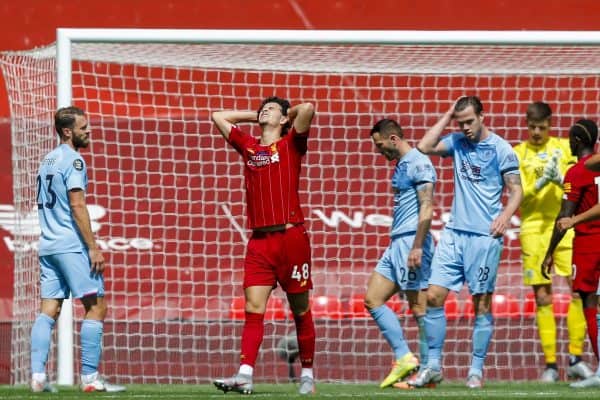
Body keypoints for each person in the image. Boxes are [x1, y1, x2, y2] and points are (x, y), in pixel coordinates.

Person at [409, 96, 523, 389]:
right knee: (433, 296)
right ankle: (433, 366)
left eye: (470, 121)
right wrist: (449, 115)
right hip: (454, 234)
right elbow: (423, 147)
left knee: (481, 304)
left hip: (485, 238)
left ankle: (475, 371)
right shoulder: (457, 142)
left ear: (482, 116)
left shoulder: (501, 149)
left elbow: (516, 190)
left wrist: (506, 215)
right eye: (462, 123)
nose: (466, 128)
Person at [211, 97, 316, 395]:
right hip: (259, 242)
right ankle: (245, 374)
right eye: (263, 108)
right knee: (253, 308)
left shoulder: (292, 144)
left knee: (300, 309)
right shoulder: (249, 147)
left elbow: (307, 108)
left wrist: (286, 116)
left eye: (272, 109)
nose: (265, 111)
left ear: (285, 120)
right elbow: (217, 116)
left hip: (291, 238)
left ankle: (307, 374)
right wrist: (256, 115)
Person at [30, 106, 125, 393]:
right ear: (67, 131)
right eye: (84, 127)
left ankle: (37, 377)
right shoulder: (74, 161)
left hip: (48, 245)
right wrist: (93, 248)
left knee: (49, 310)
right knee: (96, 307)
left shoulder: (47, 160)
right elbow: (77, 205)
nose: (89, 131)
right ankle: (90, 379)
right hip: (71, 246)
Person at [513, 102, 591, 382]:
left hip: (565, 226)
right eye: (532, 127)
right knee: (542, 296)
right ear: (526, 124)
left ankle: (576, 358)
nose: (536, 132)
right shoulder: (517, 153)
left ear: (550, 125)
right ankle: (549, 365)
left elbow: (579, 183)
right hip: (533, 228)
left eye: (542, 127)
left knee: (578, 290)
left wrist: (558, 181)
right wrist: (539, 183)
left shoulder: (563, 147)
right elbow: (517, 195)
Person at [366, 119, 436, 389]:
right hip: (397, 242)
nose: (378, 150)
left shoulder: (419, 162)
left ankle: (429, 373)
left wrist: (417, 246)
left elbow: (427, 207)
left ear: (393, 139)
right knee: (373, 299)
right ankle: (405, 357)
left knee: (419, 308)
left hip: (411, 242)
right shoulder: (402, 165)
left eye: (380, 144)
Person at [540, 119, 600, 389]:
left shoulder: (576, 172)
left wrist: (549, 252)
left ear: (575, 142)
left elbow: (565, 216)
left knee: (588, 302)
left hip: (589, 244)